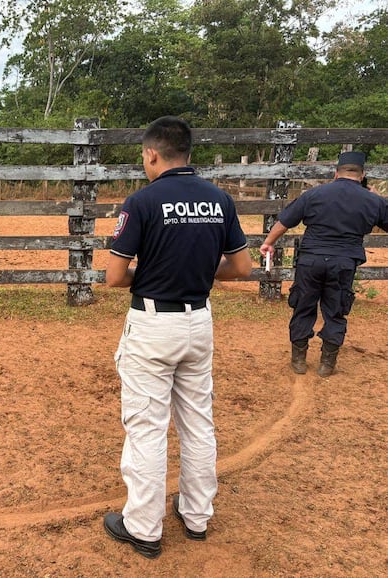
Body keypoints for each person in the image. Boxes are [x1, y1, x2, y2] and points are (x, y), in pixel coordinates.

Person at [102, 116, 252, 559]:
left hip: (153, 324)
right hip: (198, 320)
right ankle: (196, 513)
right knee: (198, 420)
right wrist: (204, 273)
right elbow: (242, 269)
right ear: (187, 153)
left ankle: (143, 526)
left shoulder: (143, 201)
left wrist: (149, 273)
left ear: (152, 154)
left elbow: (113, 277)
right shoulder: (219, 200)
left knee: (147, 426)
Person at [260, 151, 388, 377]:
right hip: (344, 262)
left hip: (311, 260)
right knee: (336, 309)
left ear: (336, 173)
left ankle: (299, 359)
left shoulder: (315, 193)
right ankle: (327, 364)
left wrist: (269, 243)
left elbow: (285, 221)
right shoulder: (373, 201)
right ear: (362, 175)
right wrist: (381, 200)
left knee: (303, 304)